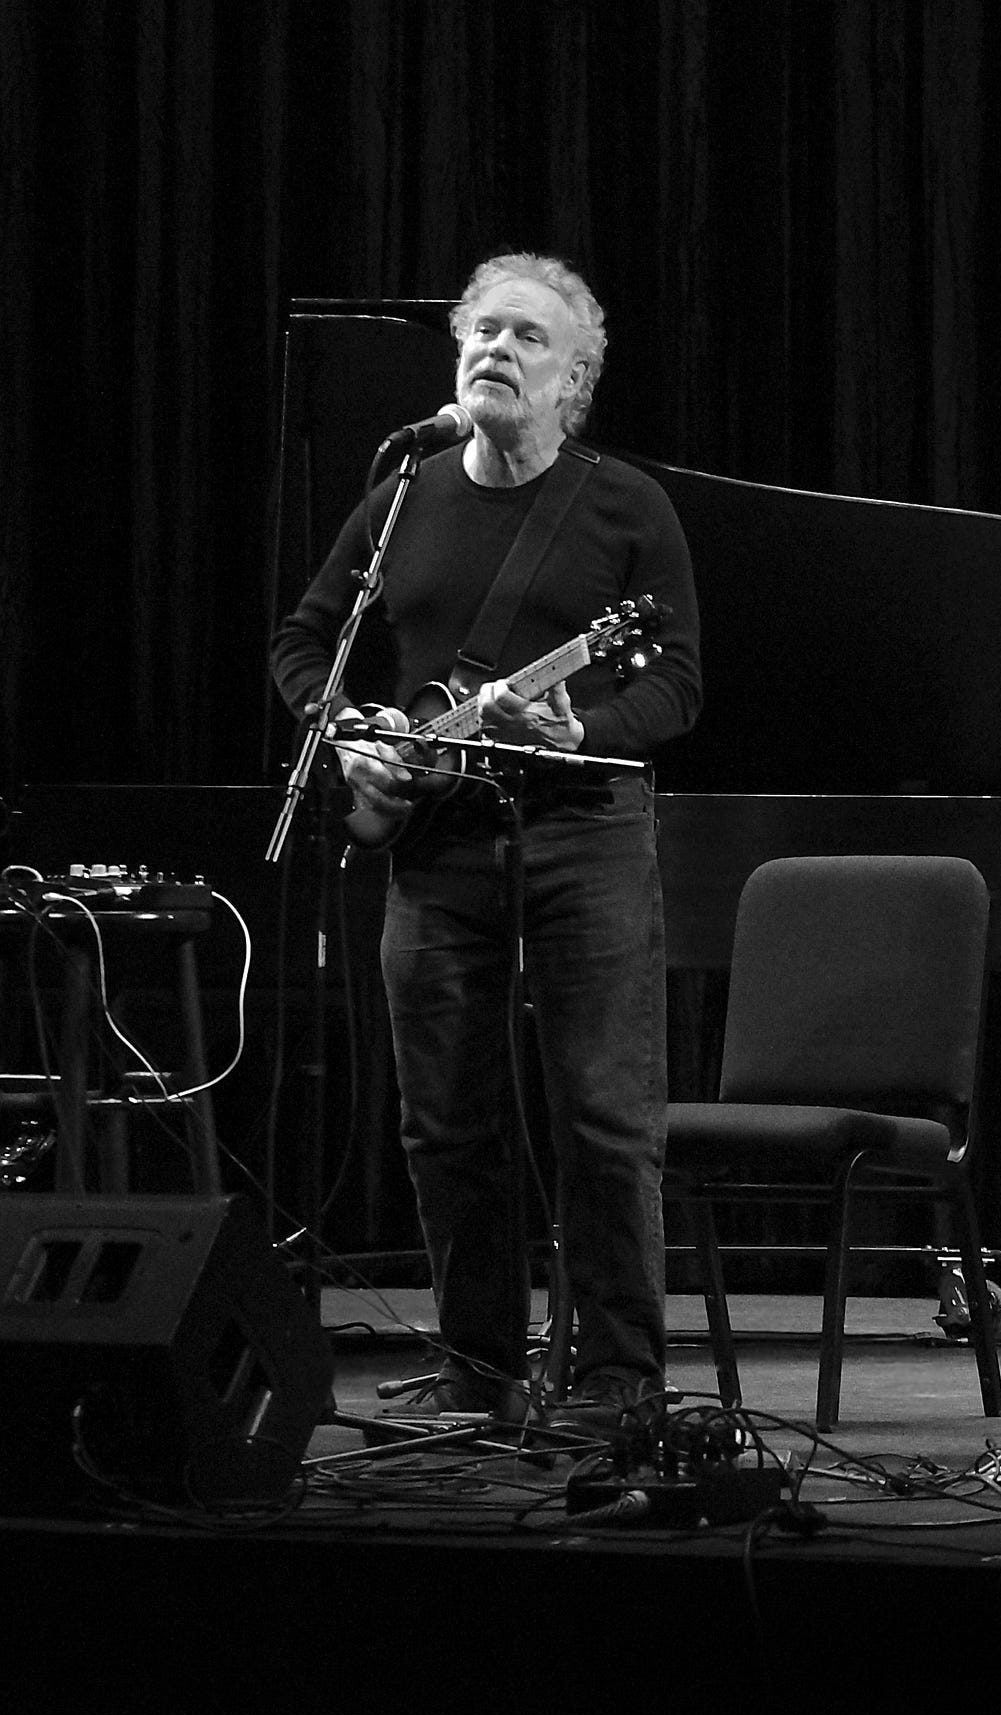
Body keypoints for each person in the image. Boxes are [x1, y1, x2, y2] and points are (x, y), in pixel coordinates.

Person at [271, 253, 703, 1425]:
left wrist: (584, 724)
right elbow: (303, 642)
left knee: (603, 1117)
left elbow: (677, 687)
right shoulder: (400, 492)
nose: (495, 350)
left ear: (574, 382)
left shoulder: (625, 505)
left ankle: (617, 1379)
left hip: (584, 837)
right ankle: (480, 1366)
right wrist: (347, 723)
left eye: (525, 337)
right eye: (482, 332)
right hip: (432, 841)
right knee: (444, 1118)